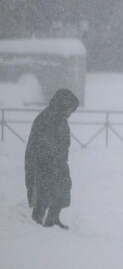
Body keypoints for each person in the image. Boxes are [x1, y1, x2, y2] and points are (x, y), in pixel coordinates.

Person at [25, 88, 78, 229]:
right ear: (64, 104)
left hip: (57, 161)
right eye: (71, 109)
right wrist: (53, 159)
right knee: (44, 192)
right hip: (43, 163)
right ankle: (37, 221)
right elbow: (43, 143)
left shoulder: (60, 118)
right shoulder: (47, 118)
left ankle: (53, 219)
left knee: (61, 189)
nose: (71, 113)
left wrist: (60, 160)